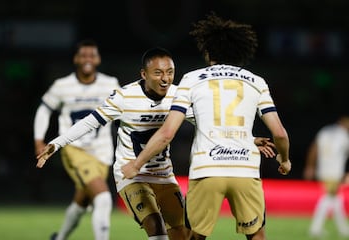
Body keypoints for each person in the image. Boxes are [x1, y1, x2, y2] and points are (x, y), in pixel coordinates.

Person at [121, 12, 292, 240]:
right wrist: (285, 159)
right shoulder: (256, 81)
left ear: (208, 52)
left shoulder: (192, 79)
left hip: (206, 168)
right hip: (245, 169)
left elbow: (167, 133)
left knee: (195, 237)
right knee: (257, 235)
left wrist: (136, 164)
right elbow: (279, 133)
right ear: (240, 52)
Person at [36, 47, 190, 240]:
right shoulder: (124, 97)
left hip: (164, 175)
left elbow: (205, 121)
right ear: (144, 74)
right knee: (156, 227)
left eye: (170, 72)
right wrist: (57, 144)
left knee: (181, 234)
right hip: (132, 175)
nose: (165, 78)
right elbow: (89, 122)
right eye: (158, 73)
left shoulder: (179, 96)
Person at [33, 39, 120, 240]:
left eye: (92, 55)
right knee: (103, 197)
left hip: (102, 153)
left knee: (83, 199)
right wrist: (39, 139)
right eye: (83, 55)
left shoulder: (110, 84)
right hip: (75, 150)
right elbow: (44, 110)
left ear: (98, 59)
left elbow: (121, 114)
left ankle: (60, 237)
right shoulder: (62, 86)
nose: (87, 59)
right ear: (76, 59)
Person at [303, 115, 349, 237]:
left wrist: (310, 167)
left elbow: (314, 148)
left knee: (335, 199)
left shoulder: (325, 131)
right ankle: (315, 228)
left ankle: (343, 229)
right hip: (335, 171)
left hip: (323, 170)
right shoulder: (343, 135)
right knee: (329, 197)